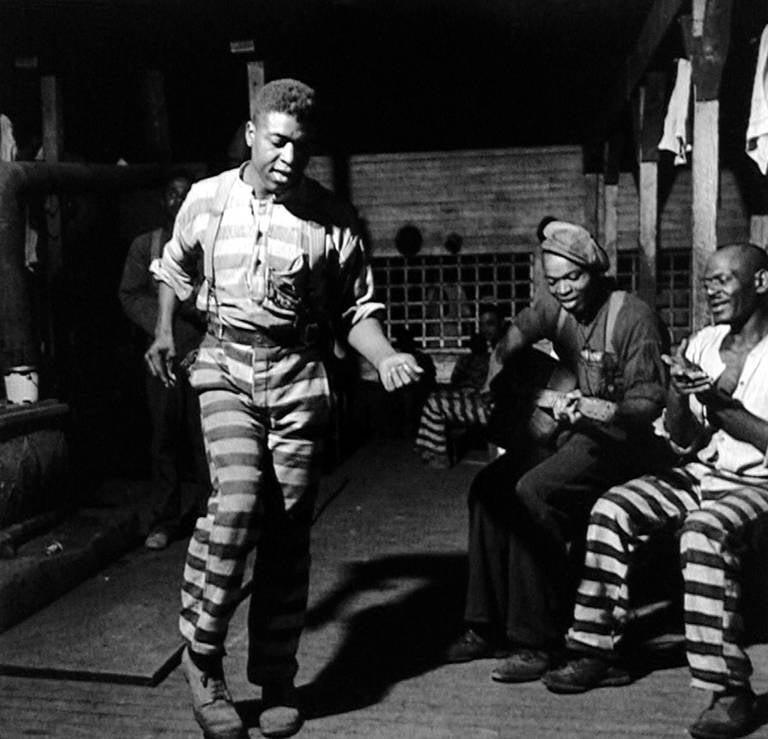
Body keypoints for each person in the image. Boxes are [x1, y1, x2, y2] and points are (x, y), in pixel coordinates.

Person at [145, 79, 422, 739]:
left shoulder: (332, 218)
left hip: (298, 375)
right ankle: (203, 657)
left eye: (301, 145)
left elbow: (357, 310)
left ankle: (275, 677)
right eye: (277, 141)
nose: (289, 157)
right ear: (251, 133)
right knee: (236, 500)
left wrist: (381, 355)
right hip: (226, 368)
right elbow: (173, 271)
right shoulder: (209, 200)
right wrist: (163, 330)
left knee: (288, 531)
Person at [543, 243, 768, 739]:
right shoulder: (704, 343)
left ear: (761, 283)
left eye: (724, 279)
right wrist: (678, 393)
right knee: (612, 508)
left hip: (759, 483)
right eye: (707, 280)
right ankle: (597, 649)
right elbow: (683, 440)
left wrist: (716, 401)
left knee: (702, 533)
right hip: (703, 473)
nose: (711, 289)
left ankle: (730, 692)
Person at [444, 219, 672, 686]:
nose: (564, 289)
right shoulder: (558, 306)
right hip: (577, 430)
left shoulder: (633, 318)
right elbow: (515, 333)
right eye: (554, 281)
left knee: (535, 491)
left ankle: (538, 640)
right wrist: (496, 372)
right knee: (488, 486)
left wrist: (598, 407)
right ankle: (485, 624)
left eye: (574, 278)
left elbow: (650, 404)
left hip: (624, 441)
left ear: (596, 271)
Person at [119, 174, 210, 550]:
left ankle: (211, 516)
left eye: (186, 194)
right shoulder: (147, 245)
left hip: (204, 351)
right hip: (162, 358)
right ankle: (164, 518)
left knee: (205, 437)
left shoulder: (208, 244)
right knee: (163, 437)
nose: (178, 200)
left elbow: (213, 300)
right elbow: (130, 293)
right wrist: (161, 325)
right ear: (163, 200)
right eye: (172, 194)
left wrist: (185, 305)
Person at [414, 304, 504, 467]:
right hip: (484, 399)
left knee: (434, 404)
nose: (485, 329)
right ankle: (429, 450)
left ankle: (436, 456)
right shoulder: (493, 350)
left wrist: (484, 394)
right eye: (482, 324)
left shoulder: (505, 347)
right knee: (434, 399)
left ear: (501, 323)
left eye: (490, 323)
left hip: (496, 408)